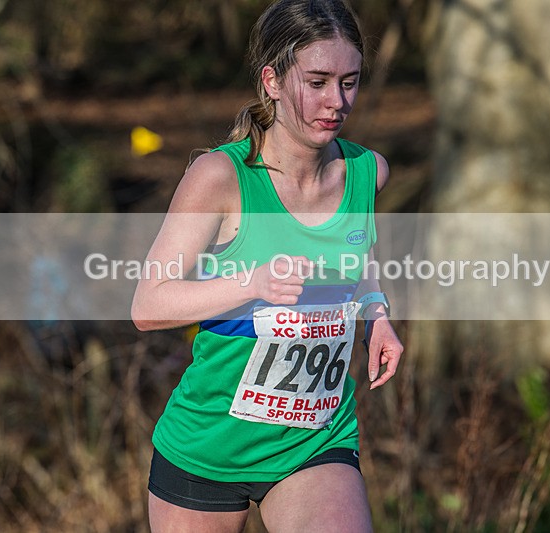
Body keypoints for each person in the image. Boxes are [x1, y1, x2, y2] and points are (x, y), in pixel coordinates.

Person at [131, 0, 403, 531]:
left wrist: (376, 315)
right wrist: (250, 283)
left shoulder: (368, 172)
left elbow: (356, 257)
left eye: (349, 82)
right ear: (272, 80)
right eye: (318, 81)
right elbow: (148, 305)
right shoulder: (220, 177)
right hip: (210, 446)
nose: (336, 102)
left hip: (316, 437)